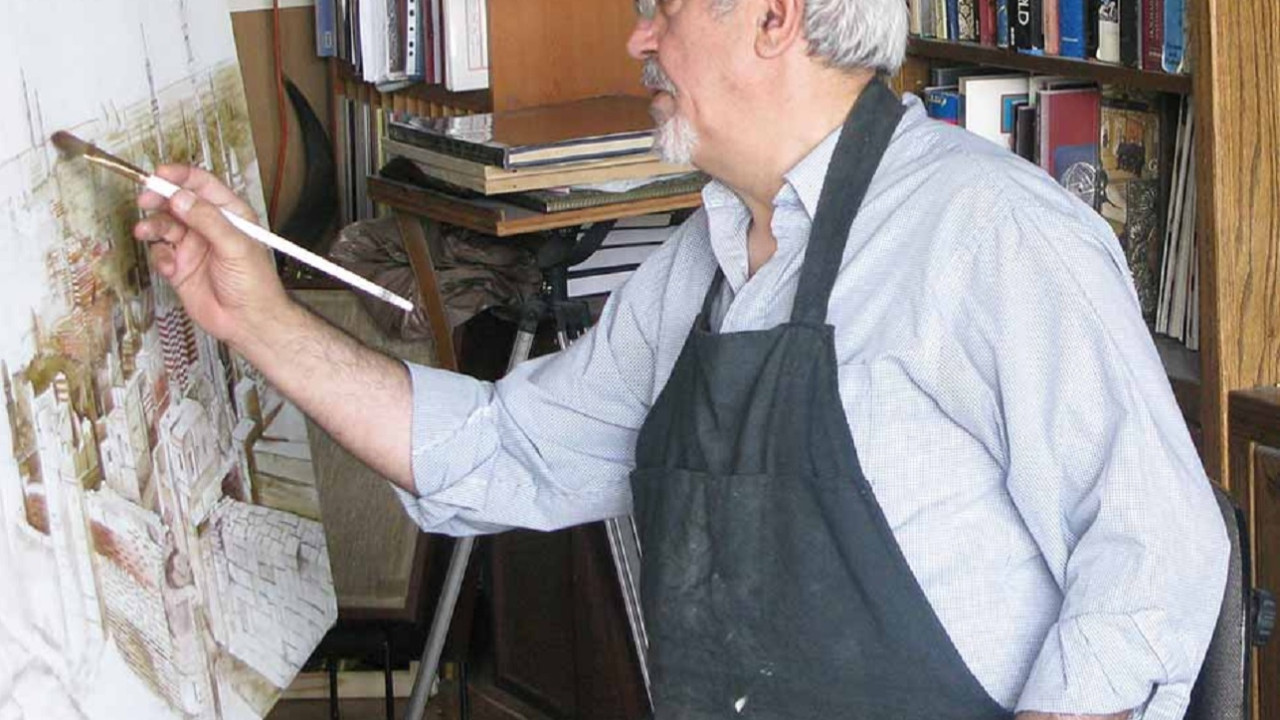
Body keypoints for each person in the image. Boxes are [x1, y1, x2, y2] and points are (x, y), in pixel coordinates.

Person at [134, 0, 1228, 717]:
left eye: (663, 5)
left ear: (774, 18)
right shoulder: (699, 261)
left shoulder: (993, 233)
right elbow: (501, 453)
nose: (638, 39)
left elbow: (1154, 561)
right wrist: (254, 317)